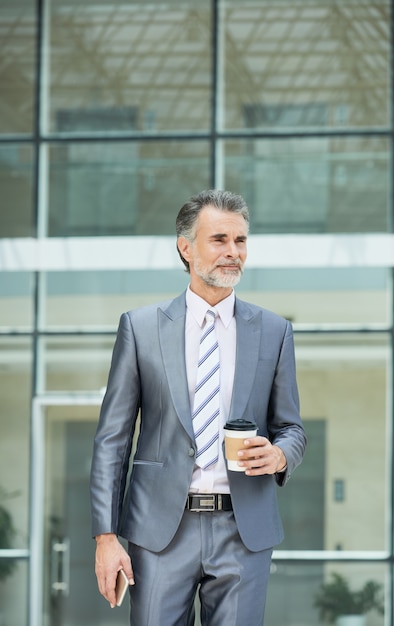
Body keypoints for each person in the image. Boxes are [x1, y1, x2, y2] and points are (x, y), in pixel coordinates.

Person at [90, 189, 307, 626]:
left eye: (241, 241)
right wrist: (105, 536)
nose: (233, 252)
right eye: (220, 240)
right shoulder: (142, 328)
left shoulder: (273, 331)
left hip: (243, 530)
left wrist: (281, 453)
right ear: (185, 247)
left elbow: (292, 427)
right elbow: (112, 440)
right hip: (160, 533)